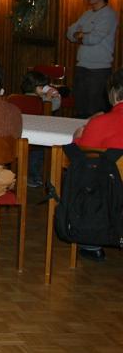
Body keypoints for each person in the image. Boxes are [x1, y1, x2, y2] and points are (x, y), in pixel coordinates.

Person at [71, 68, 123, 262]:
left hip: (110, 195)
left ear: (114, 93)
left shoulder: (101, 122)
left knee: (88, 174)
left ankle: (91, 241)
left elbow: (83, 157)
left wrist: (77, 138)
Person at [67, 0, 117, 118]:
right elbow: (70, 32)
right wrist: (81, 34)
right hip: (82, 66)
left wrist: (81, 35)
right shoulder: (87, 14)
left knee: (94, 111)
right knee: (80, 109)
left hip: (98, 70)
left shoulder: (109, 15)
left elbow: (94, 38)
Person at [21, 70, 60, 188]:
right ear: (34, 87)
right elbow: (51, 108)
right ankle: (33, 176)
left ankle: (32, 175)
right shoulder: (40, 101)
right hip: (37, 136)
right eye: (42, 87)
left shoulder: (19, 98)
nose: (44, 89)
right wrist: (50, 98)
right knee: (39, 153)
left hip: (23, 134)